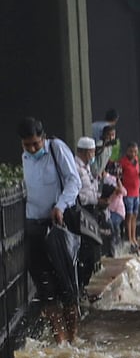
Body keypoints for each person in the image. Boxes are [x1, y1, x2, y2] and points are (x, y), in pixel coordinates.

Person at [19, 117, 81, 343]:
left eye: (35, 144)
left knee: (66, 286)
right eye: (27, 145)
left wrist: (60, 206)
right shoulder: (25, 158)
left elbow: (74, 181)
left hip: (57, 225)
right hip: (34, 226)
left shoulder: (57, 149)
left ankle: (73, 336)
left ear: (43, 138)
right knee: (45, 287)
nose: (32, 149)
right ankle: (59, 339)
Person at [74, 137, 102, 292]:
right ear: (85, 152)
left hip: (92, 209)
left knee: (92, 250)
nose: (93, 155)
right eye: (92, 152)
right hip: (82, 211)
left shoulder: (87, 168)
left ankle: (83, 286)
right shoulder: (75, 168)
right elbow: (79, 192)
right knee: (86, 252)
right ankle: (80, 286)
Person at [118, 141, 140, 252]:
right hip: (128, 194)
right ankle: (130, 239)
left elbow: (137, 175)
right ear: (127, 151)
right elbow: (118, 176)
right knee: (129, 216)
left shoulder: (136, 161)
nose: (133, 154)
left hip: (136, 192)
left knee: (135, 216)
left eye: (135, 152)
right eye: (131, 151)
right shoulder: (123, 162)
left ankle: (134, 238)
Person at [101, 161, 127, 256]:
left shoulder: (113, 180)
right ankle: (114, 249)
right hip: (110, 210)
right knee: (113, 229)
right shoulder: (107, 179)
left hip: (118, 212)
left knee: (114, 227)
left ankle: (116, 249)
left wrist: (118, 181)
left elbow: (123, 192)